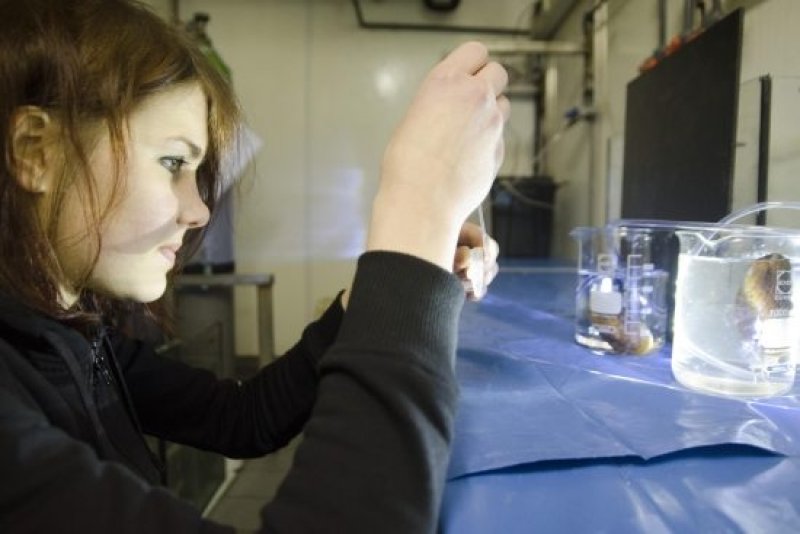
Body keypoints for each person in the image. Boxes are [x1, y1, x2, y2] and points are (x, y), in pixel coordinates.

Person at [0, 0, 508, 532]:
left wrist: (378, 296)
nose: (197, 212)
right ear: (37, 151)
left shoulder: (73, 335)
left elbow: (240, 417)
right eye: (173, 162)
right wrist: (417, 212)